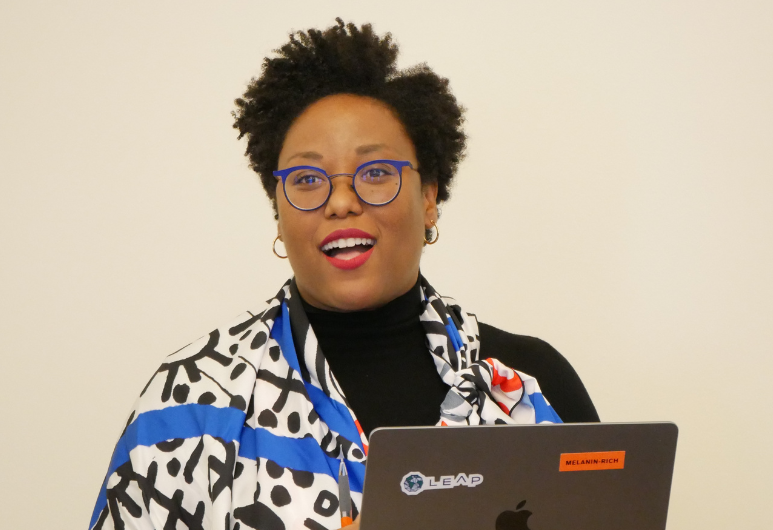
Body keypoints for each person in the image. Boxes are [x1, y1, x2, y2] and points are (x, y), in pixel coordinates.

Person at [89, 20, 597, 530]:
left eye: (375, 173)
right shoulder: (189, 401)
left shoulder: (534, 385)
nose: (341, 201)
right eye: (308, 179)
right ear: (278, 213)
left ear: (429, 198)